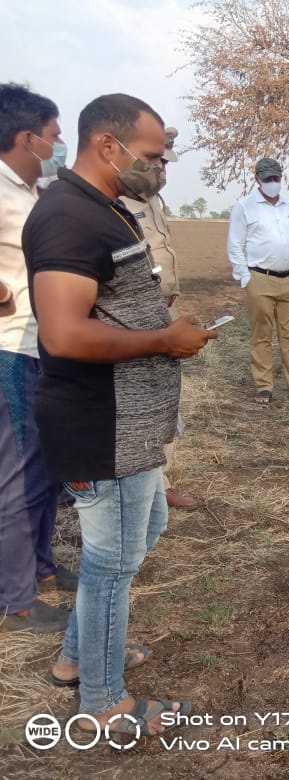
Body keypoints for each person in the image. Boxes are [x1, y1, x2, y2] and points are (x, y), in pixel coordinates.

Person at [23, 93, 215, 735]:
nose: (160, 166)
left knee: (146, 529)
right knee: (111, 564)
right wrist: (164, 340)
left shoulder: (105, 209)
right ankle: (105, 702)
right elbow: (65, 334)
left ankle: (79, 656)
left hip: (130, 425)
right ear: (109, 144)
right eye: (154, 154)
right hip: (102, 425)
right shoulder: (69, 216)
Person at [0, 83, 70, 634]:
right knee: (19, 475)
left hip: (41, 345)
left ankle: (42, 568)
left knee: (45, 469)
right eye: (53, 135)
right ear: (28, 137)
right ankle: (16, 599)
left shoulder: (33, 191)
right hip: (12, 350)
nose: (59, 142)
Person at [119, 126, 195, 509]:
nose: (163, 168)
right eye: (156, 160)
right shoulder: (111, 201)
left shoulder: (151, 199)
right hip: (131, 317)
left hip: (162, 311)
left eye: (165, 161)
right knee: (137, 409)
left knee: (164, 402)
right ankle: (142, 491)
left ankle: (158, 486)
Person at [227, 157, 289, 403]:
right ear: (257, 179)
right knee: (262, 334)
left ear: (281, 178)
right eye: (267, 179)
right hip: (260, 278)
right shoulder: (245, 207)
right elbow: (235, 245)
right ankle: (264, 385)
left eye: (276, 178)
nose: (273, 183)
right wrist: (245, 277)